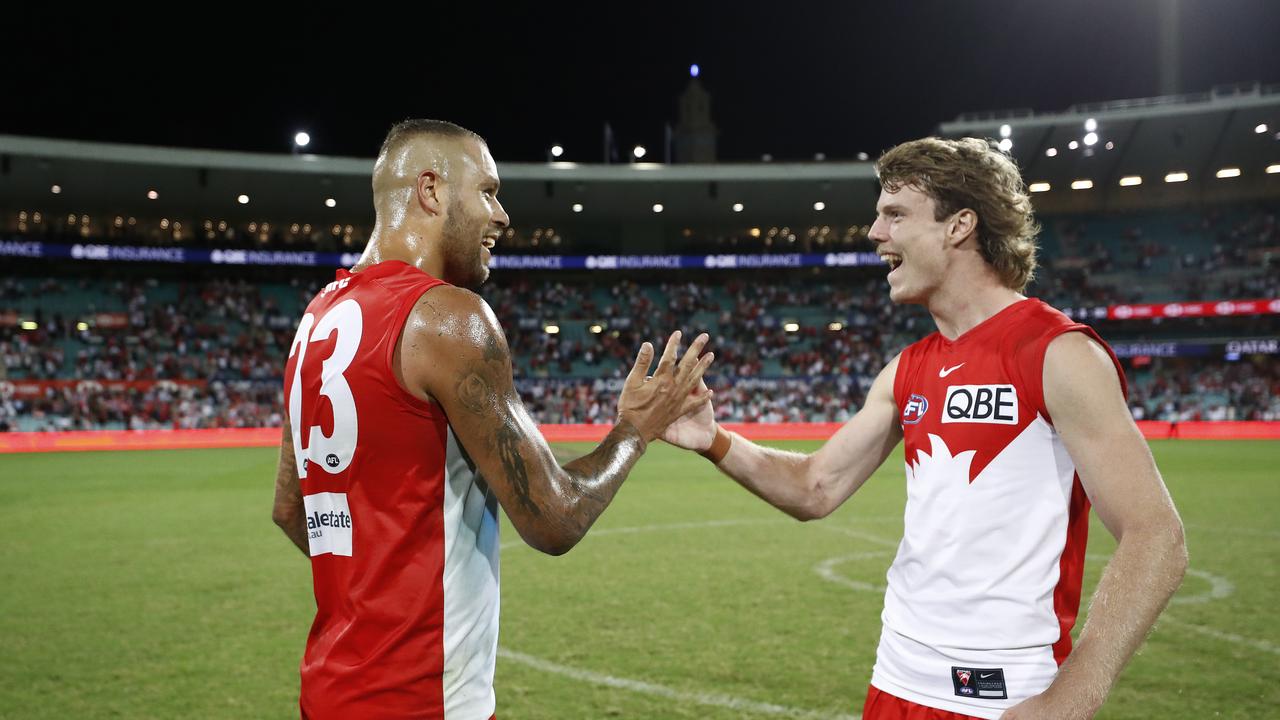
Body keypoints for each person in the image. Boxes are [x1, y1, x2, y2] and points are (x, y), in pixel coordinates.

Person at [662, 137, 1187, 719]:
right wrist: (712, 440)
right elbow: (815, 487)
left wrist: (1072, 697)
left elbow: (1156, 537)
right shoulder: (908, 368)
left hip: (1006, 696)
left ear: (958, 225)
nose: (873, 233)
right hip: (896, 680)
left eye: (894, 214)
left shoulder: (1056, 353)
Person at [271, 119, 714, 719]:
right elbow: (554, 519)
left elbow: (293, 511)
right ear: (430, 190)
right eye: (487, 191)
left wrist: (377, 589)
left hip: (330, 692)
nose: (502, 215)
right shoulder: (449, 319)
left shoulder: (317, 318)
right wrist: (636, 429)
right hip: (424, 701)